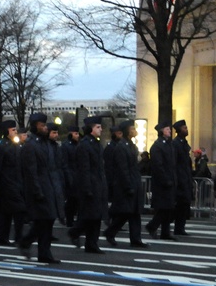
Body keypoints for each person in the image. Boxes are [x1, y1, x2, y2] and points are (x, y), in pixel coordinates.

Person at [18, 113, 62, 264]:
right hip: (39, 189)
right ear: (36, 126)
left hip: (49, 187)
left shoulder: (46, 144)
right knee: (43, 221)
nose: (45, 128)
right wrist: (37, 191)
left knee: (46, 221)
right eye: (43, 125)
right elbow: (31, 172)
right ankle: (38, 248)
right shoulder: (30, 145)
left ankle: (39, 249)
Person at [103, 120, 149, 247]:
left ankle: (135, 239)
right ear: (126, 131)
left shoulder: (131, 145)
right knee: (126, 212)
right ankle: (110, 232)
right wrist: (128, 186)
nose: (135, 130)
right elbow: (123, 169)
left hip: (133, 182)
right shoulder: (121, 147)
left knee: (135, 212)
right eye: (132, 128)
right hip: (126, 185)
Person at [68, 116, 108, 254]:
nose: (101, 129)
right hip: (90, 185)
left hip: (97, 184)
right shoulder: (84, 145)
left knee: (96, 217)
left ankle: (92, 244)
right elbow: (84, 169)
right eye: (98, 127)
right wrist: (87, 188)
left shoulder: (96, 144)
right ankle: (75, 232)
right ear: (91, 128)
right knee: (89, 215)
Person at [0, 120, 25, 247]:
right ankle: (18, 237)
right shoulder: (0, 147)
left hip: (16, 183)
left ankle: (2, 237)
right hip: (6, 184)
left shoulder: (15, 145)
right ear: (6, 132)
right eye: (13, 130)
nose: (15, 132)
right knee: (19, 210)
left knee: (6, 213)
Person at [145, 121, 177, 240]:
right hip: (162, 183)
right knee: (164, 208)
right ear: (161, 131)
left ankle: (165, 232)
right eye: (167, 129)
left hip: (169, 181)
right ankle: (152, 226)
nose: (169, 131)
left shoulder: (168, 145)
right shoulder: (157, 146)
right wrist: (166, 180)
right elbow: (158, 166)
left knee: (168, 208)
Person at [172, 120, 194, 236]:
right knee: (180, 204)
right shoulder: (176, 144)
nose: (187, 130)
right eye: (184, 128)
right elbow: (175, 163)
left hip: (185, 177)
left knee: (185, 204)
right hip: (180, 179)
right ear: (179, 130)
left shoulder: (183, 143)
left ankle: (180, 227)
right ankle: (178, 227)